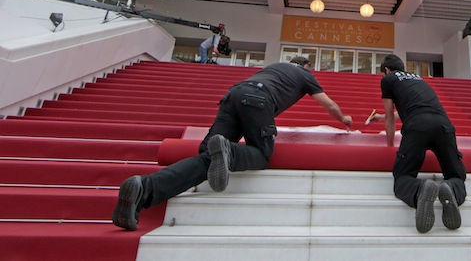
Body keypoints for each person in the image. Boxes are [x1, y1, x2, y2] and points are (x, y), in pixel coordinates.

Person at [111, 56, 353, 231]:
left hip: (233, 94)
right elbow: (328, 104)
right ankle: (230, 151)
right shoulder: (305, 75)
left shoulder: (274, 67)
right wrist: (344, 119)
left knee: (207, 157)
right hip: (258, 101)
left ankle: (144, 188)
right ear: (306, 67)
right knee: (261, 153)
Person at [378, 54, 467, 233]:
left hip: (417, 127)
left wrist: (389, 145)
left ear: (386, 70)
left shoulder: (388, 79)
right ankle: (450, 188)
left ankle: (420, 189)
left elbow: (390, 115)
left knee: (402, 177)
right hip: (443, 125)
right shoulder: (419, 79)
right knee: (457, 175)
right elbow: (415, 106)